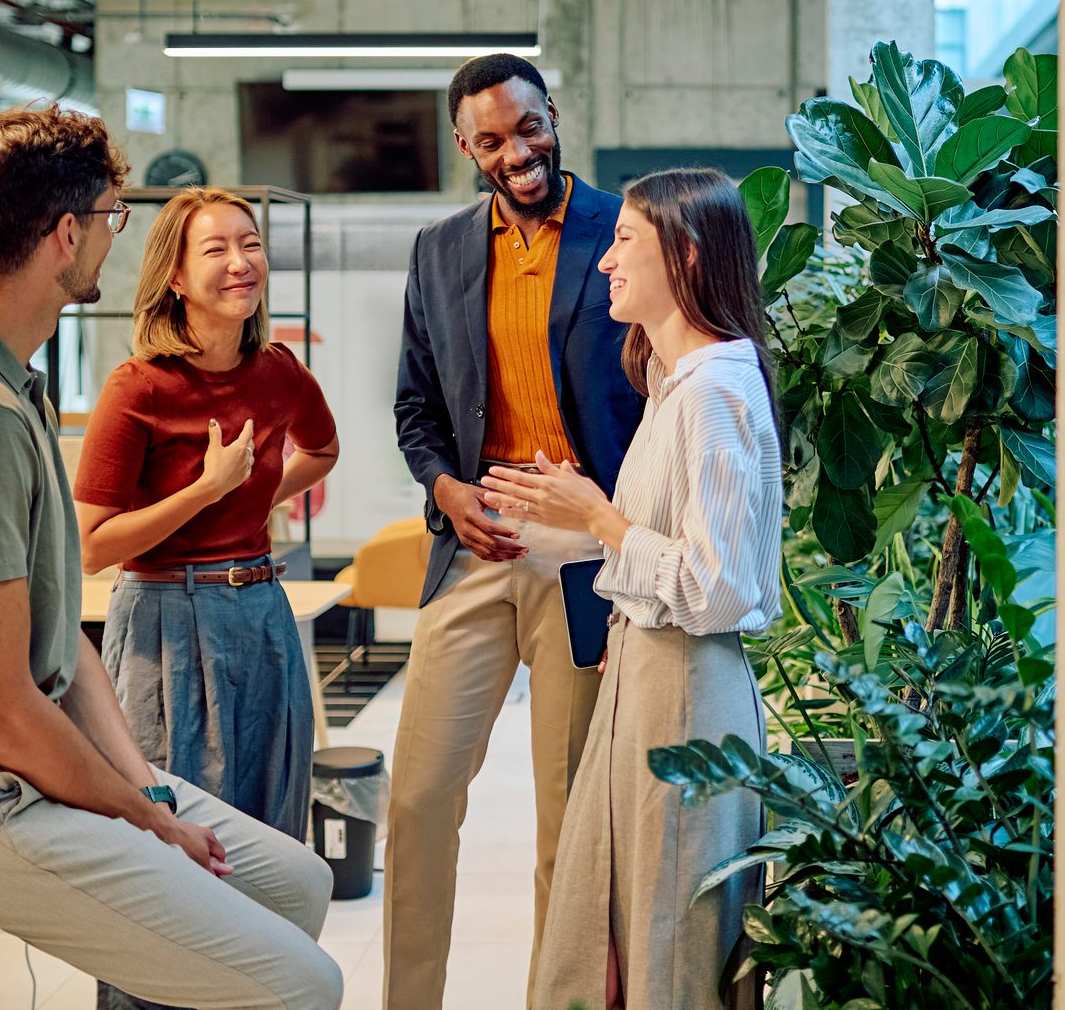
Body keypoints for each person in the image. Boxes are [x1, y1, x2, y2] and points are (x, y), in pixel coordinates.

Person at [0, 107, 343, 1009]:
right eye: (113, 216)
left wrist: (145, 787)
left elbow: (58, 646)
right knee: (302, 983)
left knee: (296, 884)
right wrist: (141, 819)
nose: (116, 236)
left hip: (7, 771)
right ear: (67, 235)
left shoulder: (1, 379)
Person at [483, 168, 784, 1010]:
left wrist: (604, 523)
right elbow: (677, 552)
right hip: (651, 677)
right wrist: (577, 516)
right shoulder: (677, 385)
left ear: (684, 255)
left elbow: (716, 589)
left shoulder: (713, 393)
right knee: (626, 922)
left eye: (625, 240)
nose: (606, 260)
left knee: (668, 941)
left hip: (685, 689)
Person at [386, 53, 647, 1010]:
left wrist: (616, 522)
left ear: (551, 116)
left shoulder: (624, 228)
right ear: (466, 148)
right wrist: (445, 490)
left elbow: (660, 393)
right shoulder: (441, 250)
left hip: (582, 556)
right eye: (491, 140)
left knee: (565, 820)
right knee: (416, 800)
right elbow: (415, 410)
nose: (517, 152)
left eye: (527, 127)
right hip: (476, 545)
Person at [74, 187, 343, 1010]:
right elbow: (91, 544)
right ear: (176, 278)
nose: (241, 262)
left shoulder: (278, 373)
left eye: (250, 244)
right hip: (165, 621)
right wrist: (207, 491)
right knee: (170, 854)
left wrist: (255, 497)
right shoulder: (138, 388)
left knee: (267, 834)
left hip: (261, 614)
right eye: (216, 250)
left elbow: (323, 449)